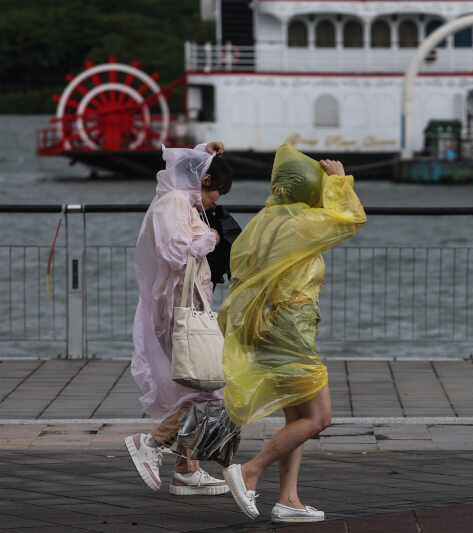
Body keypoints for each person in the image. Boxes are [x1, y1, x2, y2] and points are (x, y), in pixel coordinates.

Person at [218, 143, 366, 522]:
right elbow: (351, 218)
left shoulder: (266, 221)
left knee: (296, 417)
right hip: (290, 333)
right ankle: (250, 471)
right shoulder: (300, 224)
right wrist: (339, 181)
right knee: (319, 417)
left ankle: (289, 499)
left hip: (267, 328)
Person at [125, 141, 234, 496]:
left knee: (195, 386)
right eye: (217, 190)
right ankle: (152, 443)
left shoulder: (179, 198)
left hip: (185, 306)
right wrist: (212, 236)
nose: (217, 200)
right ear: (204, 181)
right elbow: (176, 252)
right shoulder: (173, 202)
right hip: (178, 309)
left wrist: (207, 150)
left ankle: (187, 467)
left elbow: (186, 164)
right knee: (207, 390)